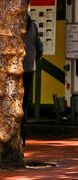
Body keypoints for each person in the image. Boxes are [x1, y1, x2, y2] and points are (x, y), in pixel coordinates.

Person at [21, 10, 43, 147]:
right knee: (24, 103)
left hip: (14, 69)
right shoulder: (33, 26)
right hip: (29, 68)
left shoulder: (11, 27)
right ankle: (23, 136)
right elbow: (39, 47)